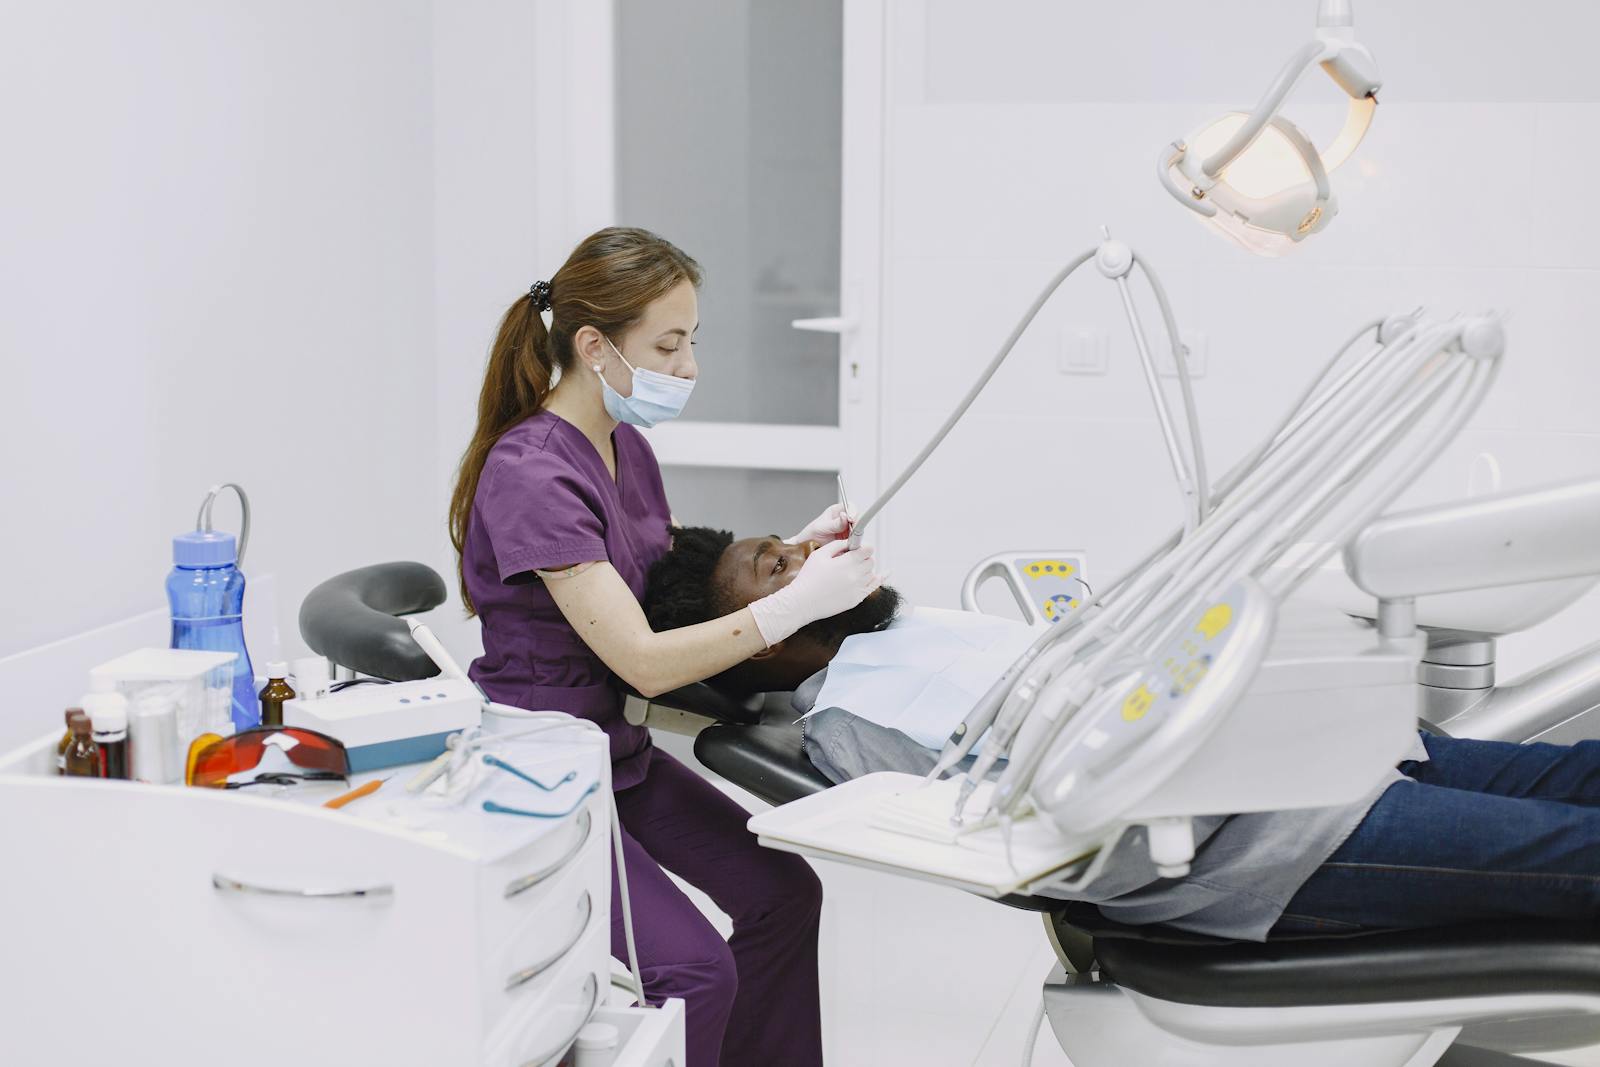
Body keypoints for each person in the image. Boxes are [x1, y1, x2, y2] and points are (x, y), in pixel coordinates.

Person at [644, 524, 1600, 941]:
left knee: (1568, 776)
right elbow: (1023, 835)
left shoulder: (899, 624)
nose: (814, 554)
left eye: (793, 541)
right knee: (1574, 853)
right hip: (1267, 834)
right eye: (781, 566)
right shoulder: (852, 722)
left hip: (1300, 742)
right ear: (756, 644)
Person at [449, 228, 883, 1067]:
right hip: (547, 780)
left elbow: (665, 577)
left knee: (782, 893)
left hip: (619, 755)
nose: (687, 367)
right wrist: (789, 608)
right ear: (593, 345)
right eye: (668, 344)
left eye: (692, 341)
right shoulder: (531, 473)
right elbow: (643, 657)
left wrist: (789, 557)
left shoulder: (625, 447)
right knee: (694, 970)